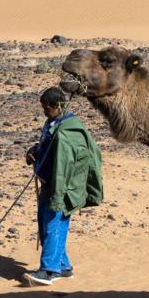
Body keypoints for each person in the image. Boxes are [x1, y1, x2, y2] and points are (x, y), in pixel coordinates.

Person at [23, 87, 103, 286]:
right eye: (43, 108)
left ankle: (49, 271)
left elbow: (65, 167)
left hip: (62, 189)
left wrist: (58, 195)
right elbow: (48, 149)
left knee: (53, 227)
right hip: (49, 185)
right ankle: (63, 267)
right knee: (46, 226)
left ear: (58, 106)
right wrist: (34, 152)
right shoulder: (53, 122)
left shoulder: (69, 131)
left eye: (47, 108)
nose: (44, 112)